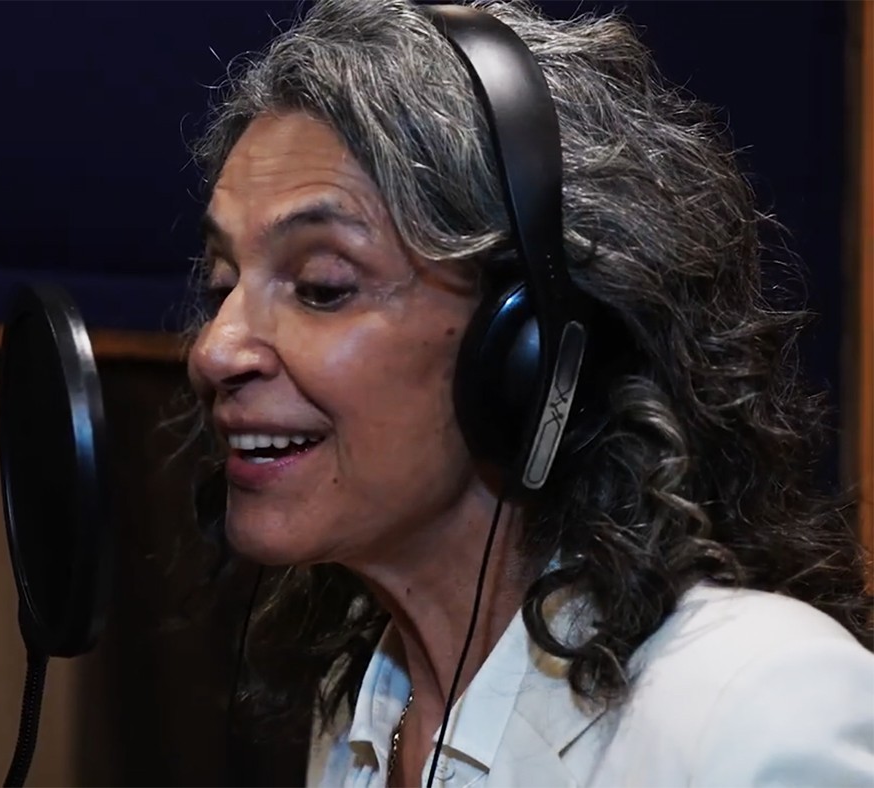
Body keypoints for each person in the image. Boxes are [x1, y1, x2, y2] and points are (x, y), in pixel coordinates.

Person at [177, 0, 874, 786]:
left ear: (530, 345)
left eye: (321, 285)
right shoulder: (364, 714)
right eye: (222, 285)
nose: (215, 350)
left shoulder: (755, 708)